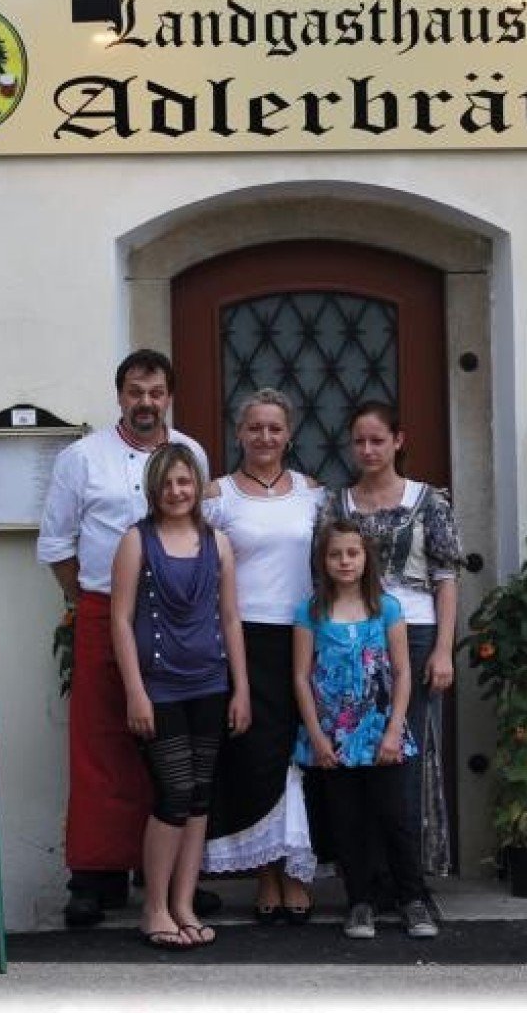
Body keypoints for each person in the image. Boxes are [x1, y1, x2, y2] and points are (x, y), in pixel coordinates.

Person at [36, 348, 220, 928]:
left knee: (175, 744)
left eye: (156, 392)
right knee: (102, 743)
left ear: (169, 396)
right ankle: (95, 876)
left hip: (180, 615)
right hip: (103, 610)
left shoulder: (191, 454)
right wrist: (94, 603)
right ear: (120, 396)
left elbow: (203, 529)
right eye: (135, 392)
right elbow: (57, 548)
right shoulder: (81, 458)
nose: (146, 403)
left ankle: (163, 879)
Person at [315, 401, 463, 887]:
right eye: (359, 441)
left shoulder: (428, 500)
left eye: (377, 440)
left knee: (405, 749)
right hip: (352, 634)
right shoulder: (338, 504)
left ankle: (410, 875)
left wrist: (443, 648)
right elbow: (319, 571)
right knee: (356, 748)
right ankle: (367, 875)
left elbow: (445, 576)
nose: (367, 449)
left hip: (414, 633)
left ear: (398, 440)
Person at [109, 443, 251, 948]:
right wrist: (135, 692)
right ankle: (153, 909)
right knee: (172, 794)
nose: (176, 491)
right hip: (159, 688)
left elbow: (231, 619)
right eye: (167, 483)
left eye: (185, 482)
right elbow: (120, 621)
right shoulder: (135, 541)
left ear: (198, 487)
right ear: (154, 489)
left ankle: (183, 904)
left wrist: (242, 689)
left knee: (198, 797)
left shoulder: (218, 543)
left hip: (210, 684)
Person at [200, 389, 326, 923]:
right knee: (255, 755)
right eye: (255, 428)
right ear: (239, 433)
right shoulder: (218, 495)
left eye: (275, 428)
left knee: (300, 752)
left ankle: (297, 872)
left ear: (289, 432)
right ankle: (265, 874)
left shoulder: (312, 493)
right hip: (242, 636)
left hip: (302, 633)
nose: (265, 438)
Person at [293, 520, 437, 940]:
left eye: (352, 553)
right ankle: (359, 902)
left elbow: (402, 671)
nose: (344, 561)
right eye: (335, 554)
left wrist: (394, 729)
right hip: (333, 738)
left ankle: (412, 899)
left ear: (365, 558)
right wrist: (316, 736)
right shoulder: (311, 611)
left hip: (380, 734)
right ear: (323, 560)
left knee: (395, 815)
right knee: (348, 820)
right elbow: (301, 677)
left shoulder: (387, 607)